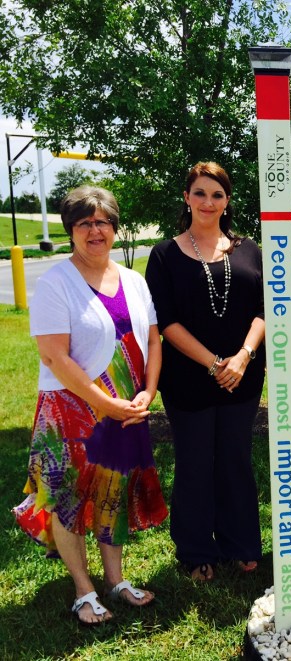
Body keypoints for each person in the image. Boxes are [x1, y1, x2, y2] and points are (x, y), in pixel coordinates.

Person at [14, 186, 167, 625]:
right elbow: (53, 356)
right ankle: (84, 589)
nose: (94, 230)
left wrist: (148, 392)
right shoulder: (55, 283)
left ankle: (115, 580)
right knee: (67, 497)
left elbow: (153, 340)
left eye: (102, 222)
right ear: (71, 231)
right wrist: (105, 403)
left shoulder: (134, 281)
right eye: (84, 223)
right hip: (73, 411)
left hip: (126, 409)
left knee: (112, 491)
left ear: (115, 229)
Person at [145, 162, 265, 582]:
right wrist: (214, 363)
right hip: (188, 381)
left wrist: (242, 357)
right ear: (186, 198)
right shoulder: (164, 255)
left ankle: (242, 544)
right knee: (195, 463)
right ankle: (197, 551)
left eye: (217, 194)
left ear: (227, 200)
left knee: (235, 460)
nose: (208, 202)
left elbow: (265, 311)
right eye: (200, 193)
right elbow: (166, 320)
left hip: (242, 377)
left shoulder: (250, 250)